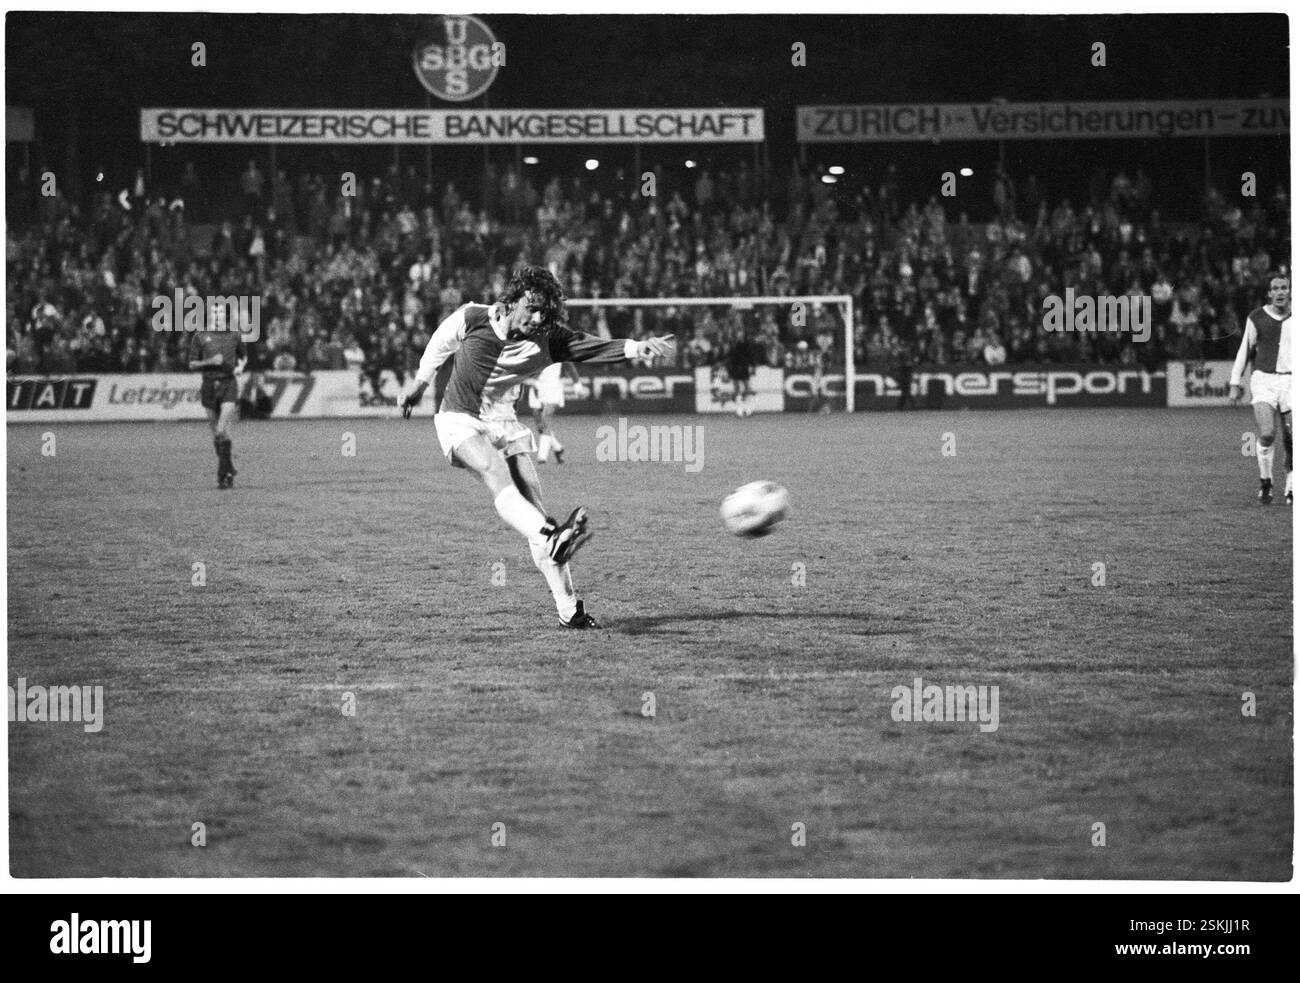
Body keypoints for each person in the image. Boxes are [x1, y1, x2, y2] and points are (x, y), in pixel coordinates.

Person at [399, 266, 674, 628]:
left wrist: (640, 347)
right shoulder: (472, 317)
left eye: (545, 310)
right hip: (459, 418)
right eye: (532, 307)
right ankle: (553, 538)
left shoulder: (549, 338)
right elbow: (440, 344)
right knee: (497, 475)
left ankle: (569, 611)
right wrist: (420, 384)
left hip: (505, 423)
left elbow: (593, 347)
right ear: (511, 301)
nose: (539, 316)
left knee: (535, 512)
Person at [1230, 275, 1292, 504]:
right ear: (1269, 293)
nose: (1280, 292)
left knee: (1293, 437)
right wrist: (1235, 382)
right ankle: (1266, 480)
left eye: (1284, 287)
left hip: (1291, 382)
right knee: (1267, 433)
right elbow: (1244, 349)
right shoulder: (1257, 317)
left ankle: (1292, 487)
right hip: (1264, 380)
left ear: (1290, 290)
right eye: (1275, 288)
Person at [188, 310, 247, 489]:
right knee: (216, 434)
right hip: (209, 385)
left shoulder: (235, 335)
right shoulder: (200, 337)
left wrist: (239, 368)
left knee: (221, 429)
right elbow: (191, 364)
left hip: (228, 383)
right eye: (216, 317)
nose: (219, 320)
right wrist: (210, 361)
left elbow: (243, 357)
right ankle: (229, 468)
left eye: (222, 317)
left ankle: (223, 477)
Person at [527, 359, 580, 464]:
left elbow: (569, 365)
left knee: (546, 419)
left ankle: (542, 457)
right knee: (540, 426)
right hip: (536, 387)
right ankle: (558, 448)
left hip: (552, 387)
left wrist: (577, 384)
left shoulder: (559, 346)